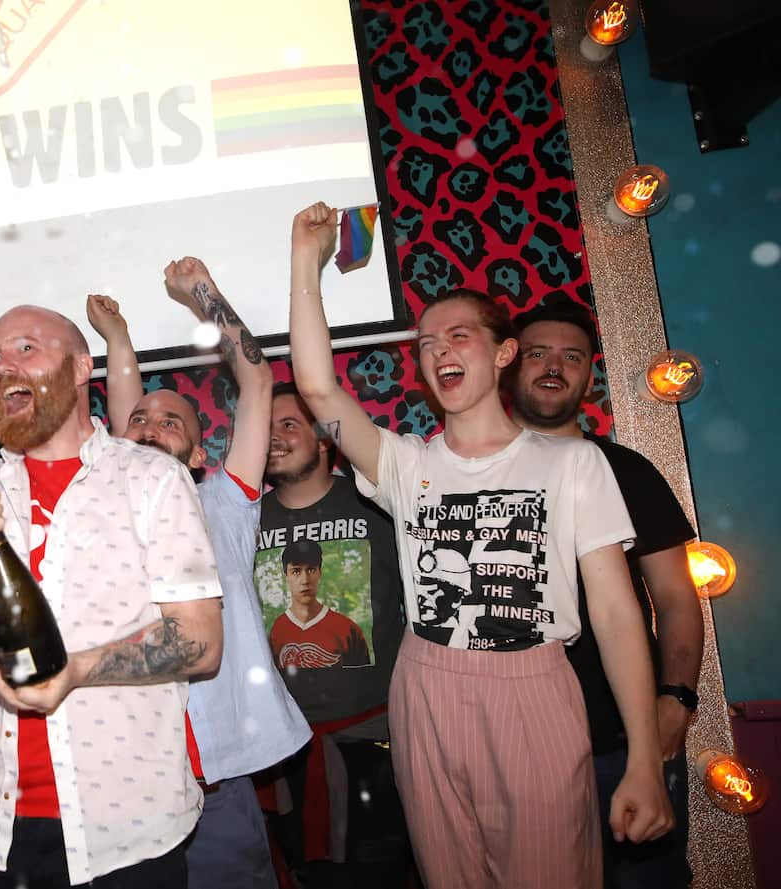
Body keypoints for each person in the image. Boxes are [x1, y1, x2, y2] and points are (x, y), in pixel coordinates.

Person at [287, 201, 673, 888]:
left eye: (457, 336)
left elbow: (616, 614)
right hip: (425, 684)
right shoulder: (404, 464)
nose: (438, 352)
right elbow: (318, 389)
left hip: (533, 687)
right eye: (426, 344)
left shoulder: (571, 464)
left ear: (501, 354)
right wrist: (306, 262)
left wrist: (645, 757)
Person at [0, 304, 224, 887]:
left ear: (82, 369)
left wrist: (73, 670)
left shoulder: (151, 479)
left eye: (27, 349)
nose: (3, 367)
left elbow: (200, 643)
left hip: (122, 829)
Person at [88, 258, 310, 889]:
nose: (151, 429)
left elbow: (258, 382)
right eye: (139, 421)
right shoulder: (101, 509)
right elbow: (132, 433)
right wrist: (118, 343)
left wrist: (203, 295)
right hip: (127, 780)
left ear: (198, 453)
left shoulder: (222, 502)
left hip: (215, 779)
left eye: (172, 423)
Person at [511, 301, 702, 888]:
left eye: (571, 358)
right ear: (506, 367)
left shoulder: (628, 470)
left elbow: (675, 598)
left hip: (625, 740)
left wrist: (676, 701)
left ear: (589, 377)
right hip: (516, 748)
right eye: (537, 353)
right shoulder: (468, 474)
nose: (553, 367)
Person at [254, 382, 409, 887]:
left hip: (378, 743)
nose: (274, 438)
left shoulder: (378, 503)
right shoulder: (242, 519)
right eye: (267, 427)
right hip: (281, 753)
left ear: (325, 439)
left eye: (289, 425)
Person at [271, 538, 369, 668]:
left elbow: (366, 682)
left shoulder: (348, 630)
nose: (305, 580)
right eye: (296, 571)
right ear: (286, 576)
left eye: (311, 570)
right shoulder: (276, 631)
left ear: (320, 573)